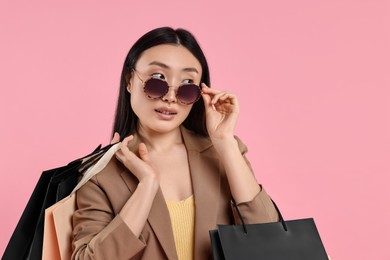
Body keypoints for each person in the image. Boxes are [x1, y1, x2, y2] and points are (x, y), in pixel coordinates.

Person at [71, 27, 279, 260]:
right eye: (157, 80)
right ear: (130, 80)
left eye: (187, 85)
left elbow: (270, 240)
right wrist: (146, 187)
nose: (171, 97)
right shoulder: (100, 174)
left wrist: (224, 142)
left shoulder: (222, 152)